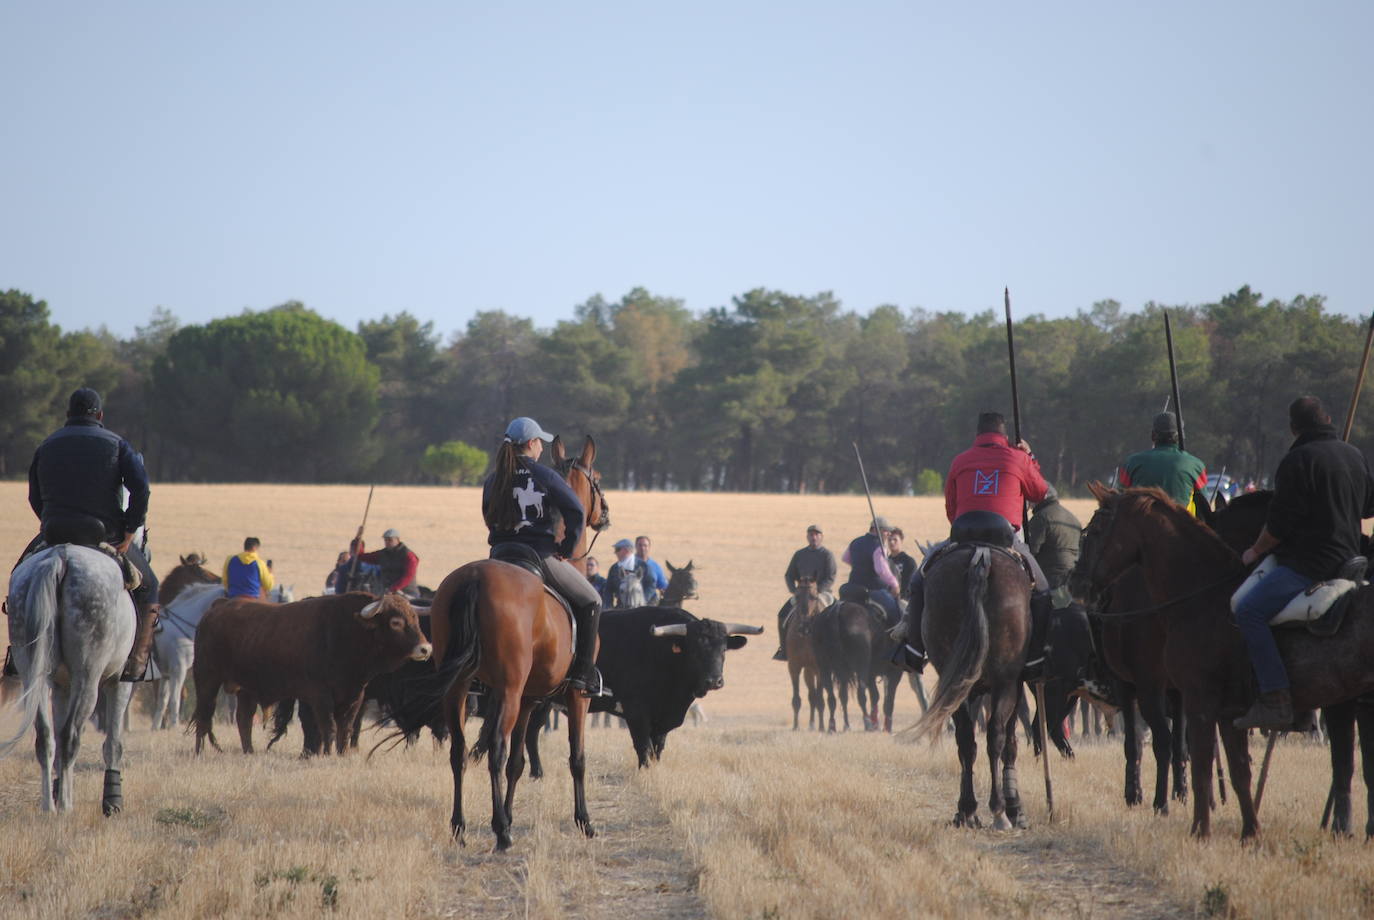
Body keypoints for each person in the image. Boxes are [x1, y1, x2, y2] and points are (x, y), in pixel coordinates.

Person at [1233, 397, 1374, 730]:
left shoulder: (1297, 460)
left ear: (1294, 427)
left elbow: (1278, 527)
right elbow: (1368, 506)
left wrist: (1254, 552)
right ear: (1326, 420)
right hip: (1352, 560)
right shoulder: (1352, 454)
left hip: (1311, 565)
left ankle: (1275, 698)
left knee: (1248, 611)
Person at [892, 412, 1051, 668]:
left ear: (977, 435)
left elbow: (951, 508)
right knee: (1042, 590)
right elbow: (1040, 492)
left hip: (963, 534)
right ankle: (1035, 657)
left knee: (919, 579)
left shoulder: (960, 460)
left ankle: (913, 647)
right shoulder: (1018, 458)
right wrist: (1029, 458)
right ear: (1005, 436)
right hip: (1005, 537)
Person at [21, 388, 159, 681]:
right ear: (99, 415)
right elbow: (141, 489)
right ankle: (136, 663)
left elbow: (34, 495)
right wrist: (129, 530)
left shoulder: (47, 445)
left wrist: (47, 521)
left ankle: (18, 657)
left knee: (19, 577)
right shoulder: (117, 444)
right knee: (151, 587)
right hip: (104, 535)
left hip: (55, 531)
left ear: (68, 414)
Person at [482, 416, 603, 695]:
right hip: (537, 555)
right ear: (533, 443)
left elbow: (488, 515)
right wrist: (566, 549)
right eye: (539, 443)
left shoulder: (493, 478)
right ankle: (583, 675)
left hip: (500, 555)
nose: (540, 449)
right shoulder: (545, 475)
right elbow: (575, 511)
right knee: (592, 601)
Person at [1118, 412, 1208, 513]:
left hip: (1140, 527)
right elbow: (1204, 508)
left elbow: (1119, 501)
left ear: (1153, 435)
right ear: (1181, 436)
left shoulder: (1131, 462)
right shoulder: (1196, 465)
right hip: (1182, 528)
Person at [773, 524, 838, 660]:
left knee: (838, 616)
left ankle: (838, 648)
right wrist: (794, 590)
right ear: (807, 537)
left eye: (816, 534)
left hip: (822, 593)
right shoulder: (799, 554)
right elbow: (789, 575)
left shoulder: (827, 555)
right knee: (782, 614)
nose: (814, 537)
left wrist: (818, 590)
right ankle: (784, 649)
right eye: (811, 534)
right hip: (802, 594)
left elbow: (831, 576)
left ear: (821, 537)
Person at [841, 516, 902, 625]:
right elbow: (881, 570)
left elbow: (845, 558)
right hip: (873, 589)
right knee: (896, 612)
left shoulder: (855, 541)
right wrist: (895, 584)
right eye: (886, 531)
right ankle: (897, 637)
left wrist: (861, 566)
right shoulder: (878, 546)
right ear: (876, 529)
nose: (888, 534)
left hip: (853, 586)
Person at [1023, 486, 1082, 594]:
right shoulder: (1073, 518)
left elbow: (1029, 551)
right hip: (1071, 576)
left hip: (1049, 579)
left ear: (1041, 497)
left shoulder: (1041, 517)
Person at [355, 527, 421, 597]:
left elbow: (408, 577)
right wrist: (358, 539)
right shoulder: (382, 554)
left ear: (397, 540)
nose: (387, 542)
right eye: (385, 540)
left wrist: (393, 589)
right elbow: (361, 556)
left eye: (390, 540)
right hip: (387, 593)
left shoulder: (409, 556)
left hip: (407, 593)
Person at [606, 538, 651, 608]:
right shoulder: (614, 568)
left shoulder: (643, 566)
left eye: (617, 550)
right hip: (621, 606)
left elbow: (650, 585)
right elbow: (608, 589)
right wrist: (608, 607)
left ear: (626, 550)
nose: (615, 553)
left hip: (642, 606)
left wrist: (643, 601)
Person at [635, 535, 669, 604]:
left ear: (649, 547)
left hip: (650, 603)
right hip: (630, 601)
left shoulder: (655, 566)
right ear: (635, 546)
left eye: (645, 545)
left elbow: (663, 586)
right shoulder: (628, 564)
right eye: (640, 545)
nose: (642, 548)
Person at [887, 527, 918, 600]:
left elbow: (909, 585)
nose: (892, 542)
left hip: (904, 601)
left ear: (901, 541)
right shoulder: (885, 561)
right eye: (889, 540)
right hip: (887, 599)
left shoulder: (909, 562)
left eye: (895, 540)